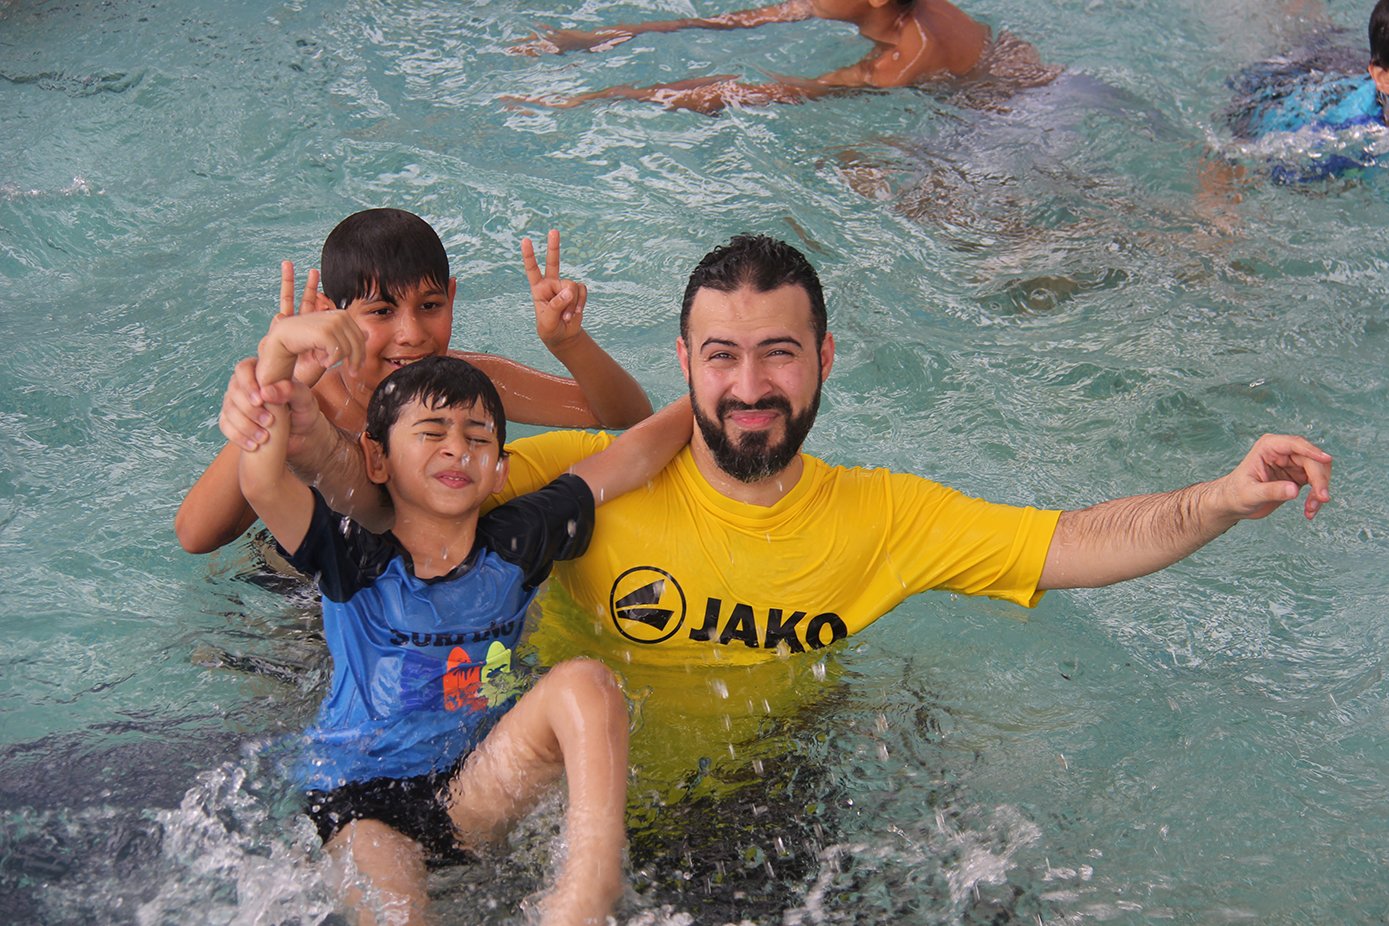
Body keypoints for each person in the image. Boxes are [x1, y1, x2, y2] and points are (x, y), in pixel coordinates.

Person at [223, 233, 1333, 911]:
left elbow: (1075, 541)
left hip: (743, 808)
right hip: (510, 784)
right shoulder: (559, 475)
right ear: (687, 366)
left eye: (779, 353)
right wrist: (287, 405)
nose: (750, 385)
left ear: (824, 361)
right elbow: (390, 500)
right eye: (722, 356)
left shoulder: (885, 516)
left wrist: (1220, 498)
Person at [238, 304, 692, 926]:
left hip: (473, 788)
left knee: (586, 683)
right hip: (361, 799)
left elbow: (632, 456)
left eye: (478, 438)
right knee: (396, 912)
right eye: (432, 433)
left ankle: (585, 894)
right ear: (377, 459)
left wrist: (715, 394)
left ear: (500, 468)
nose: (458, 448)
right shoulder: (352, 553)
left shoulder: (518, 542)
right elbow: (262, 482)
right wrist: (279, 353)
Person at [174, 207, 652, 554]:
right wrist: (278, 386)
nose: (412, 334)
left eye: (430, 306)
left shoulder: (470, 386)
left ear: (452, 298)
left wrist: (569, 344)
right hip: (300, 589)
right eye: (381, 311)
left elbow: (624, 419)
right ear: (329, 315)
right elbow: (198, 535)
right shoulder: (310, 407)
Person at [509, 0, 1058, 115]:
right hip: (1013, 63)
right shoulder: (893, 11)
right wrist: (602, 35)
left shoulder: (904, 62)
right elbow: (738, 20)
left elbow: (786, 92)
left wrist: (614, 94)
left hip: (1010, 108)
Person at [1215, 0, 1389, 183]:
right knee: (1303, 29)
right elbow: (1229, 151)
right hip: (1290, 77)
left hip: (1350, 64)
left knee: (1318, 30)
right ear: (1383, 78)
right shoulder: (1333, 131)